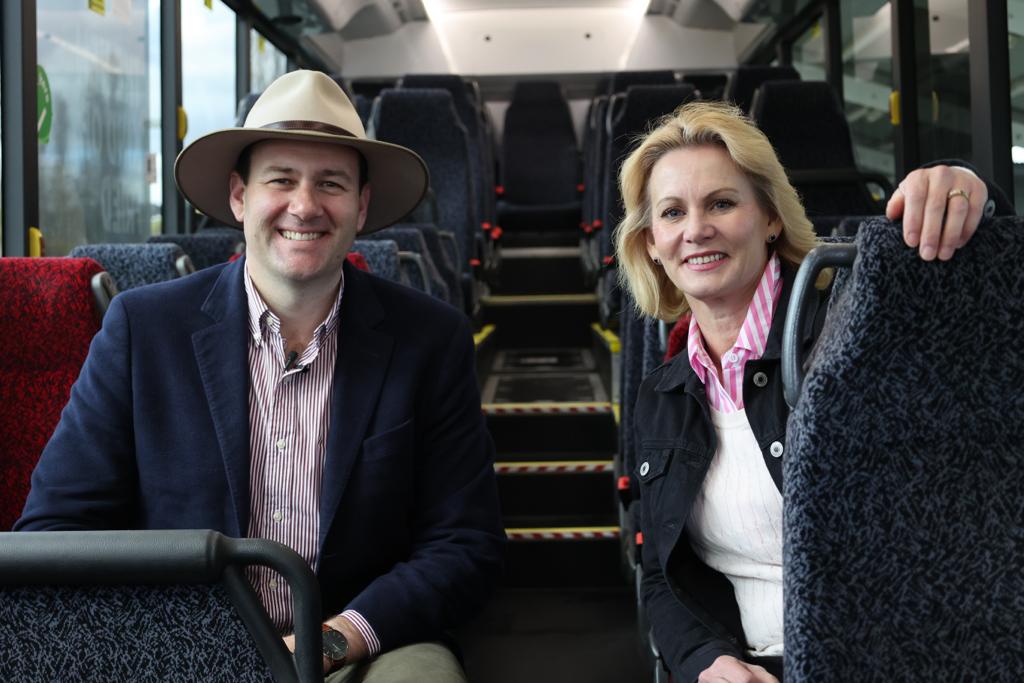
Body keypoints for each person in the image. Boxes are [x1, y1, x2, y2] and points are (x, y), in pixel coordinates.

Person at [15, 70, 505, 682]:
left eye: (331, 183)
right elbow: (56, 532)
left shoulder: (430, 339)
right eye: (281, 180)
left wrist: (331, 641)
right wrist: (190, 646)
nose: (305, 206)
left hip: (362, 641)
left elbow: (465, 544)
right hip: (181, 646)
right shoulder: (143, 330)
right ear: (240, 196)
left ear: (362, 206)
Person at [613, 101, 1012, 683]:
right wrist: (707, 663)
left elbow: (974, 319)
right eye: (672, 213)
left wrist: (966, 185)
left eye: (722, 203)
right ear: (651, 242)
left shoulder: (853, 332)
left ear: (771, 218)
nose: (696, 229)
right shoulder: (664, 391)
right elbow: (662, 575)